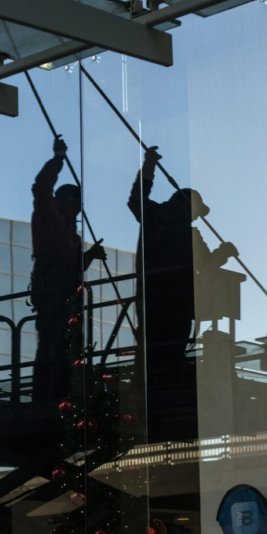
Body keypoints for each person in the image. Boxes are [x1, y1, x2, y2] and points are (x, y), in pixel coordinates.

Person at [128, 146, 237, 382]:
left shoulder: (173, 227)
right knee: (161, 349)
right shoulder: (156, 218)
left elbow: (207, 262)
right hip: (165, 303)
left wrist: (222, 252)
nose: (196, 217)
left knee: (161, 349)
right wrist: (149, 167)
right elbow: (136, 200)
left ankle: (157, 381)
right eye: (196, 212)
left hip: (166, 303)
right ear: (185, 206)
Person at [30, 137, 105, 405]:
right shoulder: (50, 216)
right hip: (51, 285)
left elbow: (73, 266)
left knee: (63, 339)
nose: (79, 209)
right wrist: (58, 159)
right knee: (54, 340)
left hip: (59, 285)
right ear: (66, 201)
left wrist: (90, 257)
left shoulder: (70, 232)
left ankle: (57, 390)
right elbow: (41, 188)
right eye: (77, 203)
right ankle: (48, 394)